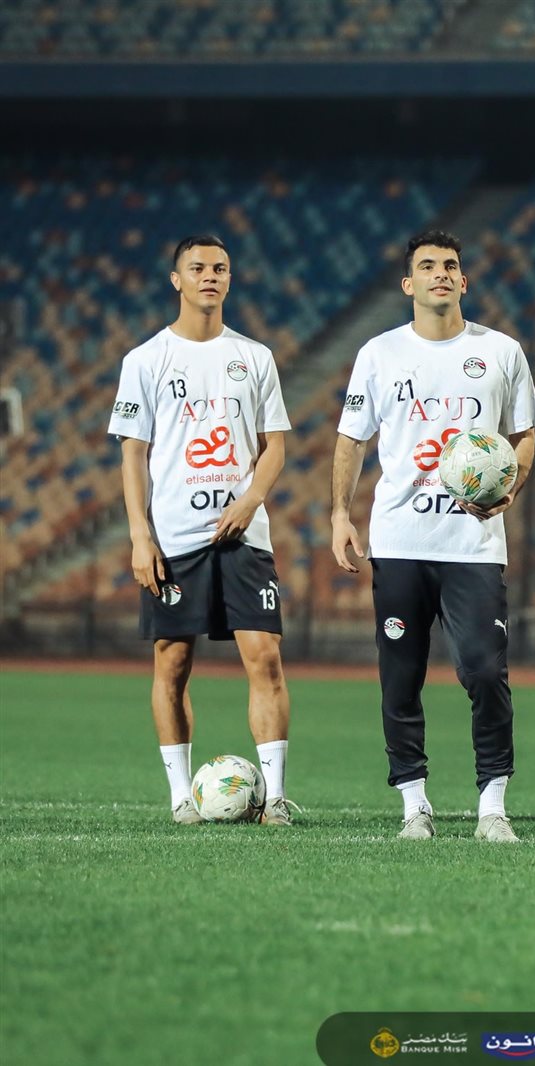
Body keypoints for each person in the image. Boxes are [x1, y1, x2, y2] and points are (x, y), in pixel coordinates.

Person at [330, 229, 535, 843]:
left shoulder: (501, 351)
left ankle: (492, 805)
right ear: (409, 283)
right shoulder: (379, 354)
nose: (441, 273)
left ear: (464, 280)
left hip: (474, 544)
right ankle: (414, 804)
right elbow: (351, 440)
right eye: (427, 266)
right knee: (400, 677)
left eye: (450, 265)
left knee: (484, 672)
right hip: (400, 540)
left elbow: (525, 435)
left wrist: (510, 488)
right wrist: (340, 514)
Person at [109, 234, 295, 825]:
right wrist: (140, 535)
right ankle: (179, 799)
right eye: (198, 268)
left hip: (245, 536)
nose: (210, 275)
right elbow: (133, 454)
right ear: (177, 280)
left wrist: (251, 500)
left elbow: (274, 446)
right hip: (175, 538)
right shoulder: (145, 360)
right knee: (172, 662)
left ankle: (275, 798)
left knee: (265, 657)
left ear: (230, 279)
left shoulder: (254, 356)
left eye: (220, 267)